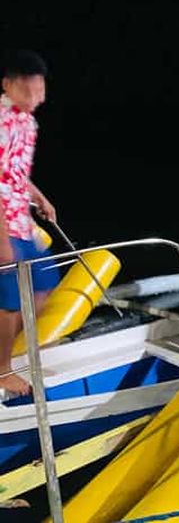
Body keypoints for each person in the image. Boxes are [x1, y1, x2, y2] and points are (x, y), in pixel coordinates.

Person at [0, 49, 61, 395]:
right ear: (8, 85)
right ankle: (2, 369)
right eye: (29, 91)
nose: (36, 99)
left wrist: (39, 197)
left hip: (20, 218)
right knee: (9, 301)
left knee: (42, 286)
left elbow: (15, 170)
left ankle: (5, 348)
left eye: (41, 92)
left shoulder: (28, 121)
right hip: (2, 224)